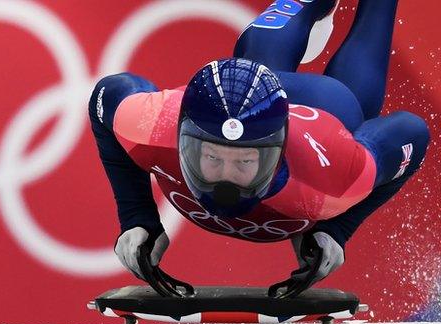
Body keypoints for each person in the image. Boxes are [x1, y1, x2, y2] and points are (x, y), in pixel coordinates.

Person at [88, 0, 429, 297]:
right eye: (212, 157)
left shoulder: (333, 171)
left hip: (328, 105)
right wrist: (138, 218)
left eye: (245, 161)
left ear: (276, 155)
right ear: (182, 139)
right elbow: (106, 94)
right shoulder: (153, 125)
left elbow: (413, 131)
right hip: (262, 95)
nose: (226, 178)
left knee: (372, 27)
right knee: (253, 68)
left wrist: (336, 230)